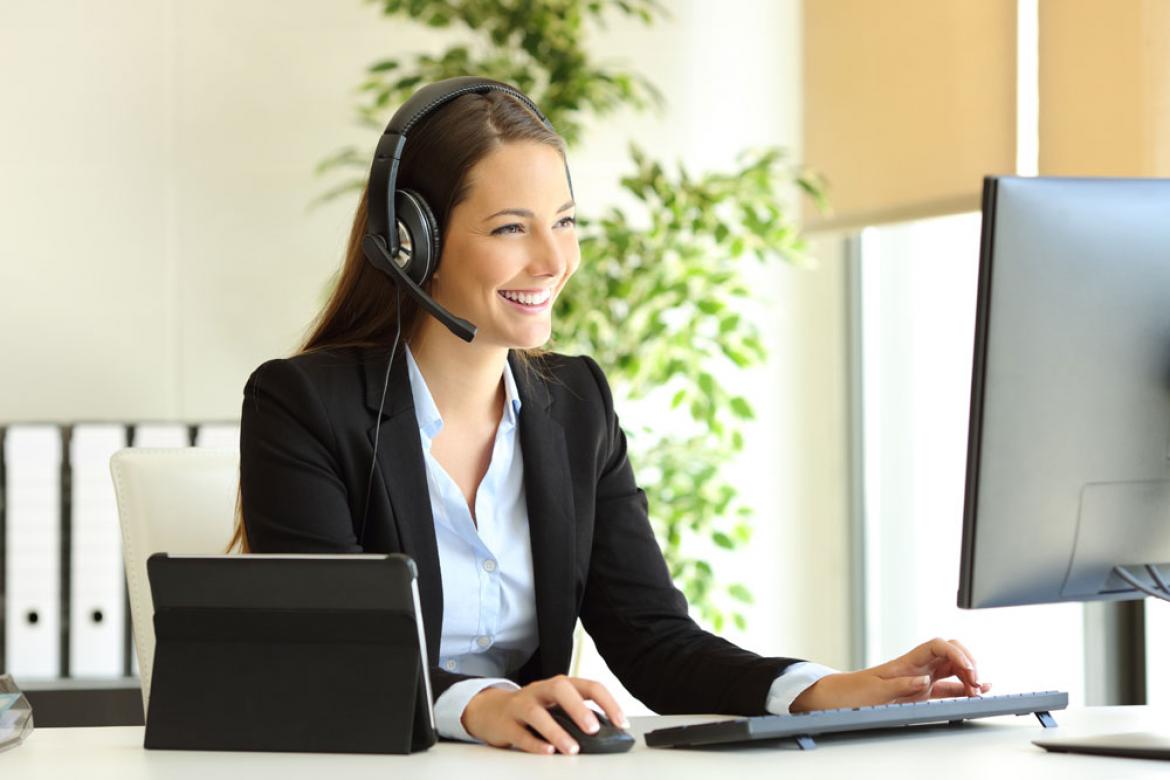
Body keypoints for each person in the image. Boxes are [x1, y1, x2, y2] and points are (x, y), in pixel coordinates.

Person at [230, 78, 991, 756]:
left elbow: (654, 641)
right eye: (510, 228)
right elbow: (333, 655)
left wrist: (827, 691)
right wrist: (483, 705)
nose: (553, 260)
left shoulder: (575, 405)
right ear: (412, 241)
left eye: (564, 221)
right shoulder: (301, 407)